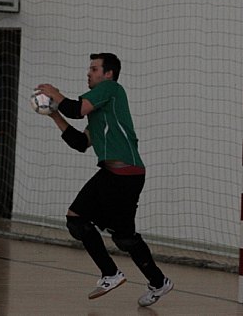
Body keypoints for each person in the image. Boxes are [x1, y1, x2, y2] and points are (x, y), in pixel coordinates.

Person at [37, 53, 173, 307]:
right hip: (118, 175)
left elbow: (76, 109)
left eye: (94, 68)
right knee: (122, 237)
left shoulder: (111, 89)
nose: (89, 73)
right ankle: (158, 281)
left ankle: (111, 273)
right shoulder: (99, 110)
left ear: (108, 74)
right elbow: (80, 143)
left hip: (124, 174)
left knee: (77, 219)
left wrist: (55, 92)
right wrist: (54, 115)